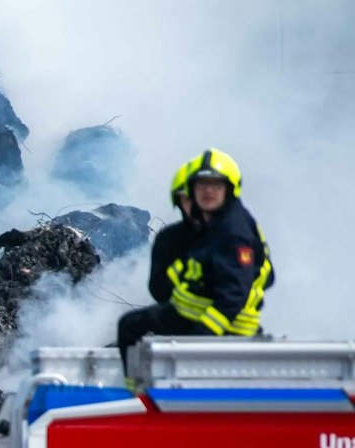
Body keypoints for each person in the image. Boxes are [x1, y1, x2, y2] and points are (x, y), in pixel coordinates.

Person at [115, 149, 275, 365]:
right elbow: (162, 290)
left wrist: (204, 334)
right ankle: (138, 391)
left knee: (132, 327)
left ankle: (139, 394)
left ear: (228, 190)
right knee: (132, 327)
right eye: (199, 188)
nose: (204, 195)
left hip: (224, 325)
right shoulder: (195, 234)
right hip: (195, 317)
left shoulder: (232, 231)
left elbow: (238, 290)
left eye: (215, 185)